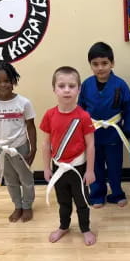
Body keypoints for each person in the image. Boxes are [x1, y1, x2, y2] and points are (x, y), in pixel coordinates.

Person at [40, 66, 96, 245]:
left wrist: (90, 170)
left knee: (82, 202)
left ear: (79, 89)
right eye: (61, 85)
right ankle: (64, 226)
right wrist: (47, 167)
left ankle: (85, 229)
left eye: (72, 86)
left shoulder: (84, 116)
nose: (66, 90)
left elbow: (90, 144)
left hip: (78, 169)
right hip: (58, 168)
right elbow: (46, 143)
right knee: (63, 202)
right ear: (54, 89)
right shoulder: (49, 115)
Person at [78, 42, 130, 209]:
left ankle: (117, 193)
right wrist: (80, 131)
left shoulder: (120, 85)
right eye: (95, 64)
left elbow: (129, 108)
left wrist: (128, 129)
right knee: (95, 166)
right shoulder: (87, 85)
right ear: (90, 65)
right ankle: (97, 194)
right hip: (92, 134)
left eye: (104, 63)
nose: (100, 68)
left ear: (112, 63)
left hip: (113, 133)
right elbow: (80, 109)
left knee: (115, 166)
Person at [0, 62, 37, 223]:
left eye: (6, 80)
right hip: (1, 150)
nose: (2, 85)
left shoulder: (24, 103)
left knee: (26, 179)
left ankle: (27, 206)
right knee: (10, 180)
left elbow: (31, 127)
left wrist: (32, 150)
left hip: (20, 147)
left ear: (14, 80)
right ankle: (17, 205)